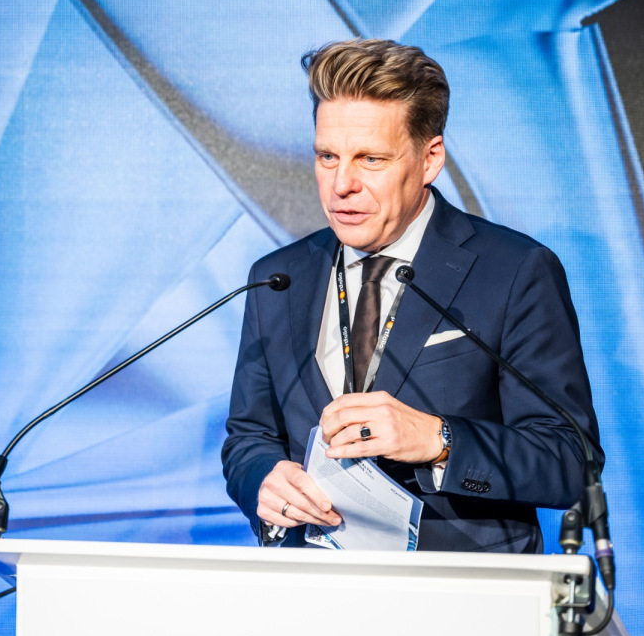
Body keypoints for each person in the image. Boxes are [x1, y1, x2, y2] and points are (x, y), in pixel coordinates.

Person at [221, 38, 601, 552]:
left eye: (371, 159)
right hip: (310, 582)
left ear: (430, 158)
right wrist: (263, 481)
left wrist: (439, 441)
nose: (342, 184)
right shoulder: (277, 278)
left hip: (460, 584)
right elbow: (248, 439)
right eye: (327, 156)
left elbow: (570, 461)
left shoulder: (515, 271)